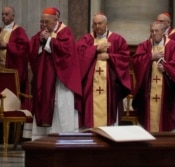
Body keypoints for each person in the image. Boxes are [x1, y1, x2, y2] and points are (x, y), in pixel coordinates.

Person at [29, 7, 82, 140]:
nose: (44, 25)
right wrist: (41, 41)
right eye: (42, 21)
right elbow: (33, 49)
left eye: (47, 22)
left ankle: (63, 138)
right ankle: (42, 139)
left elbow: (67, 53)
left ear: (56, 19)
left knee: (61, 108)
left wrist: (49, 41)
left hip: (61, 81)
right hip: (45, 80)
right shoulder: (43, 32)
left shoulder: (65, 32)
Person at [131, 21, 175, 132]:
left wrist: (167, 69)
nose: (153, 33)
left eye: (156, 31)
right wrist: (151, 57)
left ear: (163, 32)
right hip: (148, 92)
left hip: (168, 93)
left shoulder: (173, 45)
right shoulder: (144, 45)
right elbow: (136, 62)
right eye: (152, 31)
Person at [76, 13, 131, 128]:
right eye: (94, 24)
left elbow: (125, 58)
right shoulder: (86, 39)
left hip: (110, 85)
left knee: (109, 117)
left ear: (107, 24)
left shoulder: (117, 39)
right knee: (90, 117)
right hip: (90, 87)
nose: (97, 26)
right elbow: (79, 57)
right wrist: (95, 49)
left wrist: (110, 57)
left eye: (100, 23)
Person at [0, 6, 30, 107]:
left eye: (6, 14)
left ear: (13, 16)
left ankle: (12, 121)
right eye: (2, 14)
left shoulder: (19, 31)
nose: (4, 16)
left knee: (10, 99)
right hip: (0, 70)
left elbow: (24, 48)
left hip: (11, 71)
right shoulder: (0, 31)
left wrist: (7, 45)